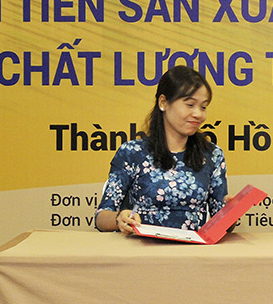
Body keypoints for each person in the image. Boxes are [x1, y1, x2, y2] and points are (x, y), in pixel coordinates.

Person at [95, 66, 227, 235]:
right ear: (163, 103)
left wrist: (231, 212)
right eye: (190, 105)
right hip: (142, 248)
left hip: (193, 249)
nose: (198, 114)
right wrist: (119, 219)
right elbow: (101, 218)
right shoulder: (132, 152)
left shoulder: (212, 154)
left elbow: (220, 224)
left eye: (203, 107)